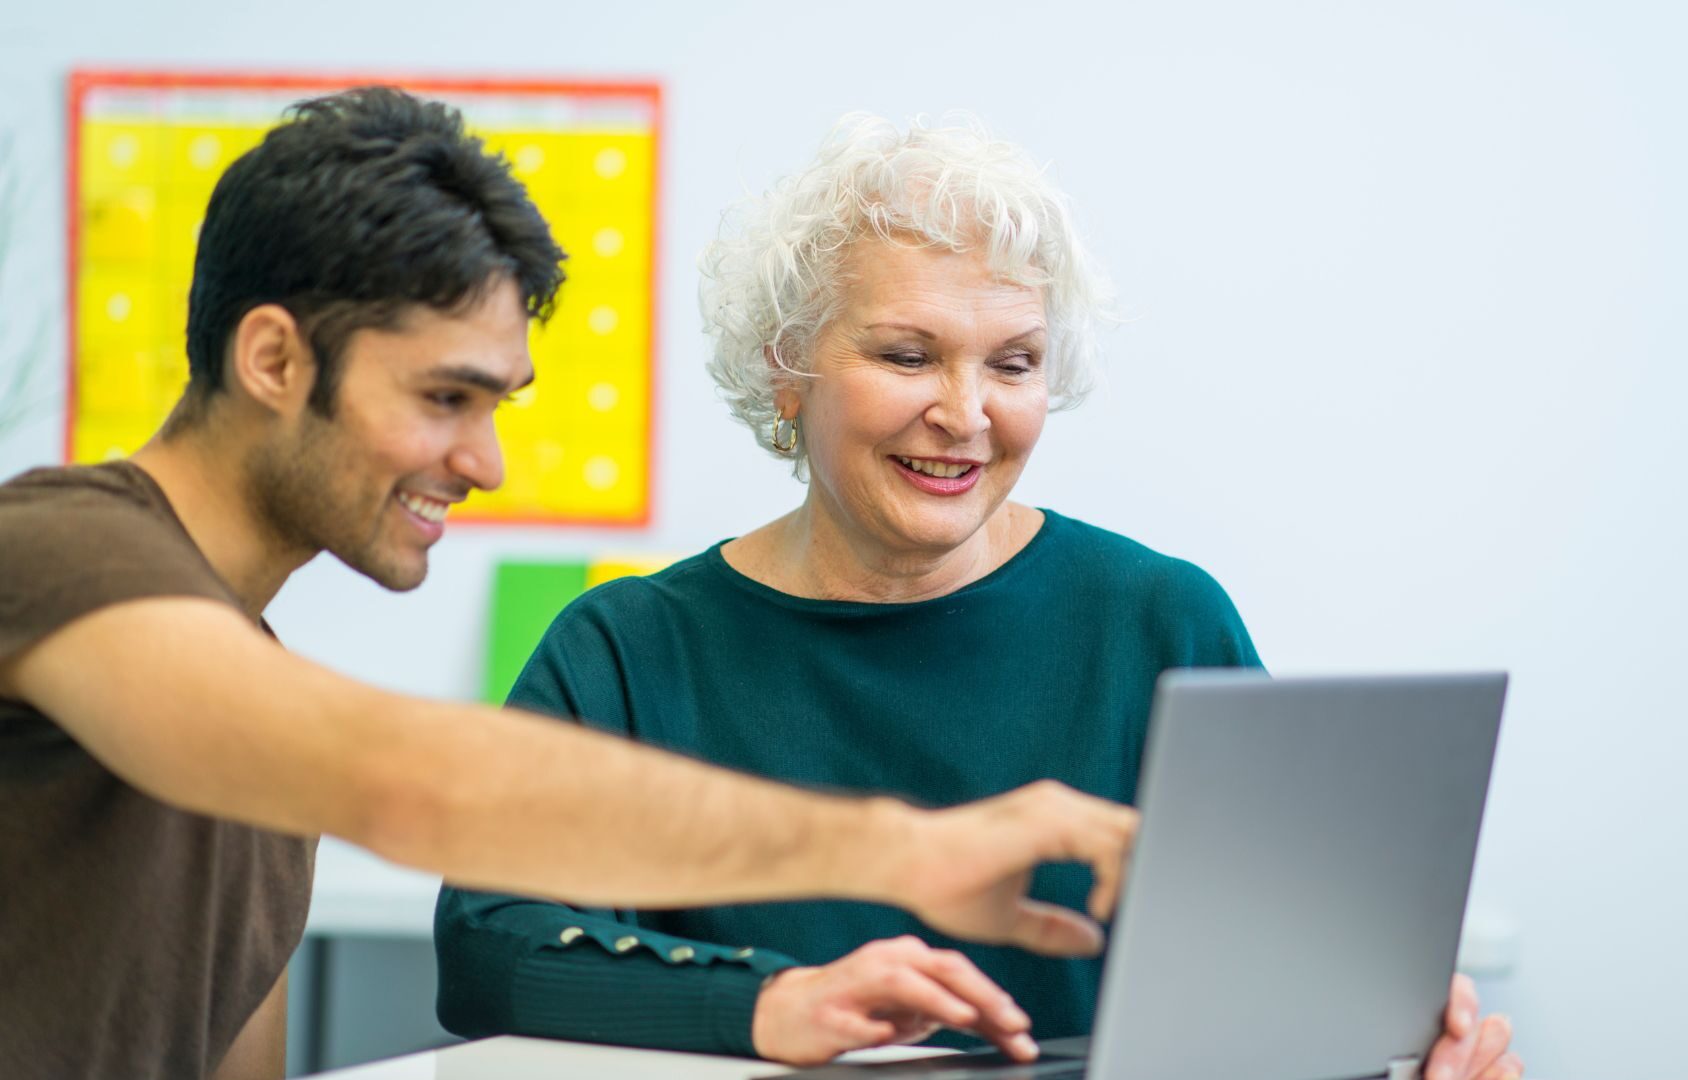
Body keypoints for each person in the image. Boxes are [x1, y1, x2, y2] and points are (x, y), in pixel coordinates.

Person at [0, 92, 1141, 1080]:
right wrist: (907, 854)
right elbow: (407, 787)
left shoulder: (248, 709)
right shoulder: (50, 554)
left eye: (496, 403)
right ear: (273, 361)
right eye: (446, 398)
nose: (484, 462)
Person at [434, 115, 1526, 1080]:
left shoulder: (1159, 623)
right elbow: (486, 948)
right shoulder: (628, 650)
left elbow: (1285, 975)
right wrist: (766, 1005)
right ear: (785, 367)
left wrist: (1387, 1053)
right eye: (907, 354)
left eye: (1012, 364)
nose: (965, 414)